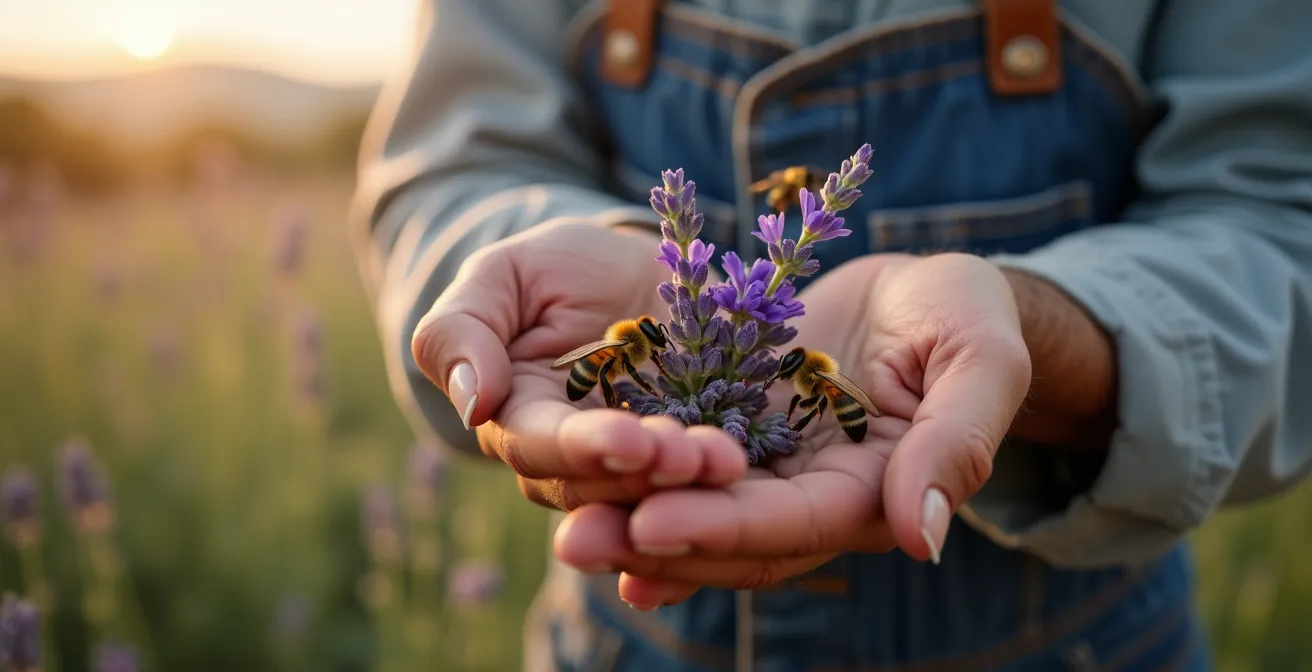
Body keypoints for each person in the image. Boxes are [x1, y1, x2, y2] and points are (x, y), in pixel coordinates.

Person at [349, 0, 1312, 669]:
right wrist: (559, 261)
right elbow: (456, 163)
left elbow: (1275, 224)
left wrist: (1034, 326)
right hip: (625, 647)